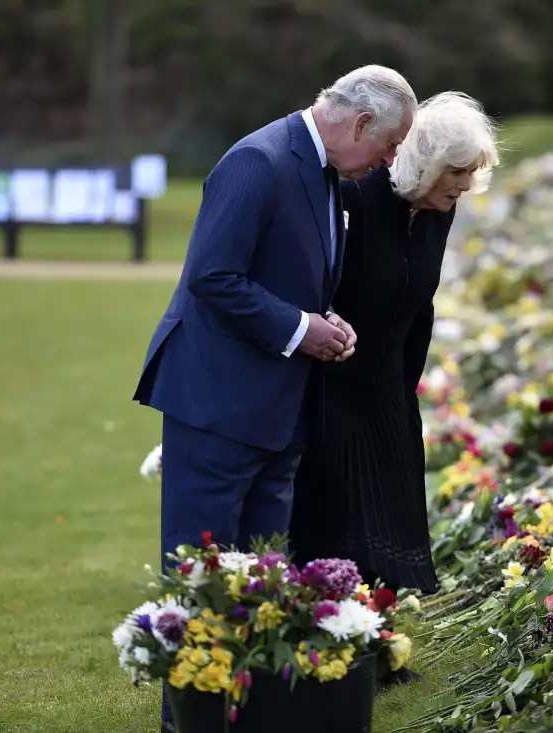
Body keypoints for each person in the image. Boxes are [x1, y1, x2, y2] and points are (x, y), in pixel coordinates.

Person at [132, 65, 416, 732]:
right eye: (391, 141)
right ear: (359, 123)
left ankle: (250, 710)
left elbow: (289, 272)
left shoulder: (325, 172)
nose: (392, 158)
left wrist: (325, 321)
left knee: (260, 575)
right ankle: (190, 722)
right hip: (217, 403)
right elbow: (212, 275)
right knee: (201, 574)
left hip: (277, 409)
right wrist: (299, 329)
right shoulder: (257, 162)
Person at [289, 92, 500, 682]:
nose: (463, 185)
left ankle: (371, 643)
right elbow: (317, 292)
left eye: (471, 173)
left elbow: (421, 305)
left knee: (386, 519)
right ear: (426, 162)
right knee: (333, 520)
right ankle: (326, 650)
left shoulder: (438, 210)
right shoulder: (355, 196)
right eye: (456, 171)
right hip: (332, 387)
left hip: (388, 391)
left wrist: (404, 386)